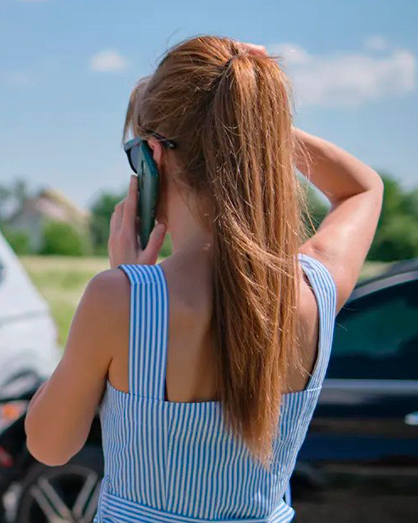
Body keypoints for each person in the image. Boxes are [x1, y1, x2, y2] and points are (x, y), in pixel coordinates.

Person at [24, 36, 383, 522]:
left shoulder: (121, 300)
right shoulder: (314, 290)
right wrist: (258, 124)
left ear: (153, 157)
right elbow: (363, 188)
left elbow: (49, 446)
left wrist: (123, 280)